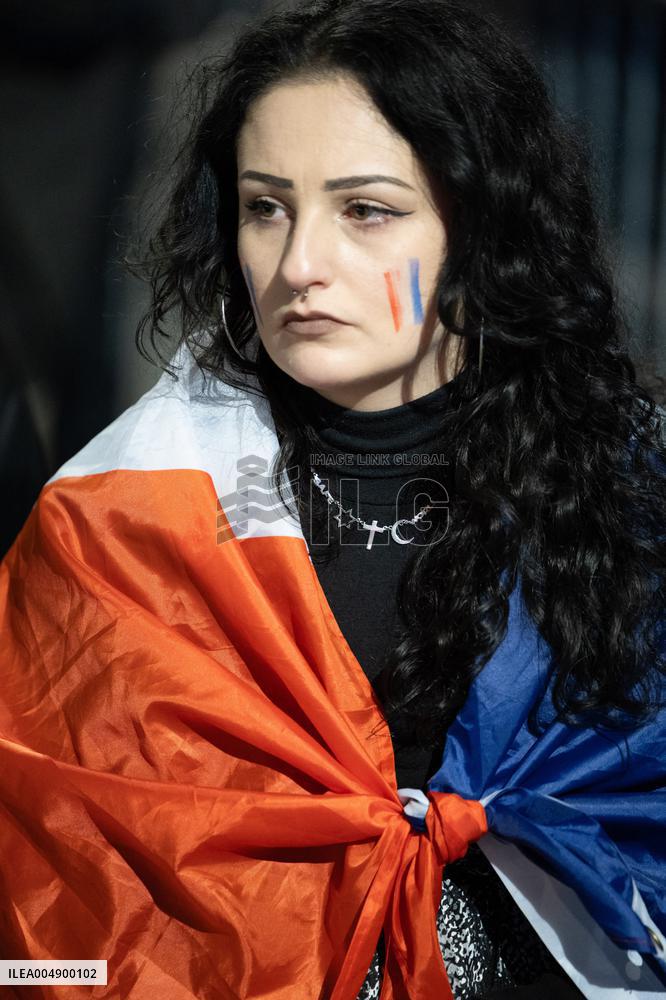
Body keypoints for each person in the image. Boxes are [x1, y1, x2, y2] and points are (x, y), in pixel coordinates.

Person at [0, 1, 664, 998]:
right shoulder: (113, 528)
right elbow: (58, 923)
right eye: (267, 206)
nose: (299, 264)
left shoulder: (629, 499)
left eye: (365, 211)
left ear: (479, 227)